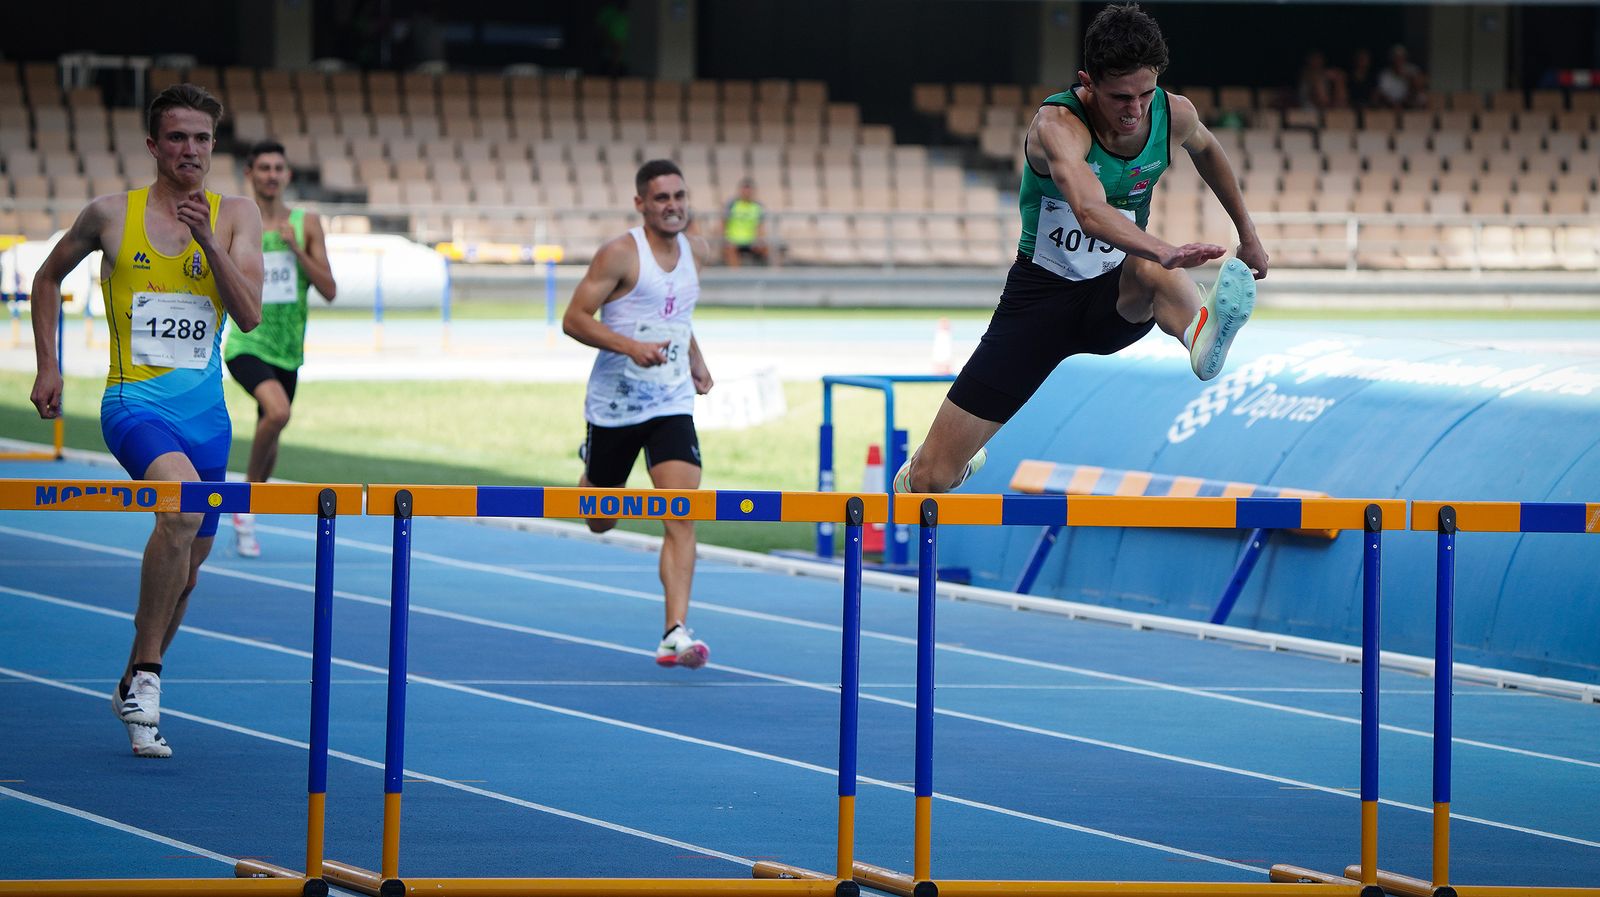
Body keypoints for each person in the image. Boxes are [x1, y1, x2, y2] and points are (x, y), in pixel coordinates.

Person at [894, 3, 1267, 494]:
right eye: (1119, 97)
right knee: (929, 480)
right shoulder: (1058, 126)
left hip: (1114, 295)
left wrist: (1249, 234)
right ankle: (949, 464)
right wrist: (1164, 250)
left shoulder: (1173, 114)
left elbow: (1208, 150)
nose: (1135, 110)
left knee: (1149, 271)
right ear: (1087, 82)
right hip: (1039, 305)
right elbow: (1090, 212)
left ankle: (1200, 335)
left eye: (1145, 93)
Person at [28, 83, 264, 758]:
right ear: (154, 145)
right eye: (179, 137)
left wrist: (206, 241)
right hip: (135, 405)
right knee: (183, 511)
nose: (191, 149)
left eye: (203, 138)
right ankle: (152, 680)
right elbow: (48, 278)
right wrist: (50, 364)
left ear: (214, 147)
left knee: (188, 567)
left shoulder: (237, 216)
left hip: (208, 418)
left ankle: (133, 672)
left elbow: (248, 314)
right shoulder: (109, 215)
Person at [563, 159, 716, 668]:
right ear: (641, 204)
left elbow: (677, 315)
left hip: (671, 401)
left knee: (681, 509)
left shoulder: (695, 250)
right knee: (601, 520)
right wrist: (628, 346)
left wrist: (695, 361)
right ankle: (593, 469)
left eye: (678, 195)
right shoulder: (620, 253)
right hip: (615, 404)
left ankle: (675, 631)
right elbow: (574, 319)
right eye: (661, 198)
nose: (672, 205)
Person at [224, 140, 338, 558]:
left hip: (289, 349)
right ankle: (245, 501)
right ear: (250, 174)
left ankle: (248, 511)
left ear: (287, 175)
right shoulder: (237, 222)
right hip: (246, 341)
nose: (271, 175)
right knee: (278, 412)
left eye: (279, 168)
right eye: (264, 168)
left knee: (271, 437)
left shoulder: (306, 223)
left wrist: (294, 248)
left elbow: (329, 289)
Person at [721, 178, 770, 267]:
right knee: (730, 249)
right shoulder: (732, 204)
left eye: (749, 190)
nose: (746, 193)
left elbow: (760, 227)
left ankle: (767, 275)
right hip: (734, 240)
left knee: (767, 249)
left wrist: (760, 240)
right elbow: (723, 223)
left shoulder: (757, 206)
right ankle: (735, 276)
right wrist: (725, 238)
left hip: (751, 241)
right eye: (744, 190)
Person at [1374, 44, 1427, 109]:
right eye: (1396, 57)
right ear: (1392, 59)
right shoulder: (1385, 74)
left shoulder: (1412, 69)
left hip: (1411, 104)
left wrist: (1406, 77)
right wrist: (1394, 103)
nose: (1399, 60)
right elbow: (1382, 93)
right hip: (1392, 106)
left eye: (1401, 57)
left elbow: (1421, 85)